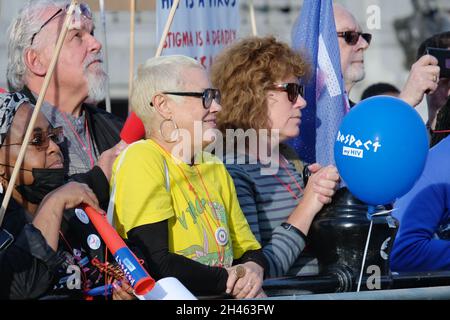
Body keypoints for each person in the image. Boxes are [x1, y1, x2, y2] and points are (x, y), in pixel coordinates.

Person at [109, 55, 268, 299]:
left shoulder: (213, 165)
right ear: (163, 105)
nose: (217, 107)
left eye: (215, 96)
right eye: (205, 97)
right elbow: (156, 262)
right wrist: (229, 279)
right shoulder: (141, 158)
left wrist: (253, 270)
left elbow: (249, 250)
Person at [211, 36, 340, 278]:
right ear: (254, 95)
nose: (301, 102)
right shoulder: (233, 171)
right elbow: (256, 275)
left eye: (300, 91)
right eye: (292, 91)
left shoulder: (290, 159)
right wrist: (309, 204)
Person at [0, 92, 134, 299]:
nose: (54, 147)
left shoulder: (75, 207)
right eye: (37, 140)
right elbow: (20, 287)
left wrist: (119, 291)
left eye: (53, 136)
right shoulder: (5, 224)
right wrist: (53, 204)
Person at [7, 0, 124, 195]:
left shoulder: (116, 129)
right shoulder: (10, 135)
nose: (96, 44)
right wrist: (99, 178)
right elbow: (34, 210)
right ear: (36, 61)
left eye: (92, 33)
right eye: (77, 36)